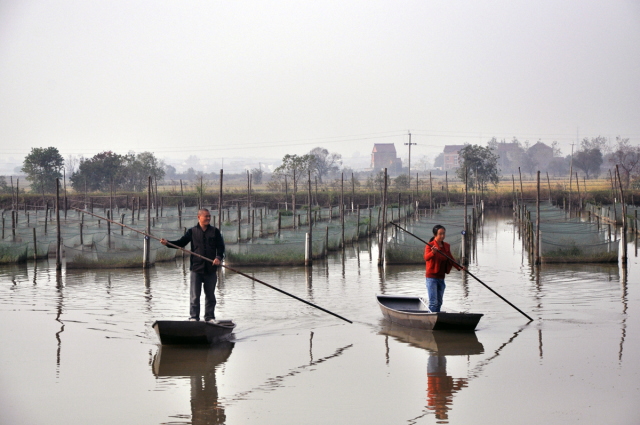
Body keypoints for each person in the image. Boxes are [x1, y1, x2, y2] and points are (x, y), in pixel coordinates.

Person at [161, 208, 225, 322]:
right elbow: (181, 243)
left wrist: (218, 258)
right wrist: (168, 243)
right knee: (195, 296)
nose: (208, 218)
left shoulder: (215, 231)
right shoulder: (192, 231)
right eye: (206, 216)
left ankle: (209, 317)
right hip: (196, 268)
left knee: (210, 296)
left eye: (209, 216)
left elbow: (221, 248)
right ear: (199, 217)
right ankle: (194, 317)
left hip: (210, 269)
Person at [423, 224, 464, 313]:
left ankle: (437, 317)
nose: (442, 236)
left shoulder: (446, 246)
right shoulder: (430, 245)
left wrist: (459, 267)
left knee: (439, 302)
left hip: (441, 277)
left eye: (444, 233)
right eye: (440, 234)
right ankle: (431, 319)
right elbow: (426, 257)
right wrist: (433, 252)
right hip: (431, 278)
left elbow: (450, 258)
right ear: (435, 235)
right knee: (433, 302)